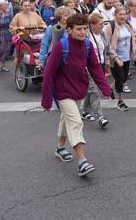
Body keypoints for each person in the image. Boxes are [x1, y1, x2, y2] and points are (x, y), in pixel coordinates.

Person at [41, 13, 112, 178]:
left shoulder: (87, 45)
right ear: (69, 30)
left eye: (85, 28)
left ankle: (59, 148)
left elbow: (95, 68)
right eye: (78, 29)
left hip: (79, 90)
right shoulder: (61, 46)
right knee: (76, 122)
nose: (82, 32)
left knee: (67, 120)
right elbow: (48, 74)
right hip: (63, 92)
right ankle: (82, 161)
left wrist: (105, 88)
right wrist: (46, 101)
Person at [104, 6, 135, 110]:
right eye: (120, 14)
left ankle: (110, 87)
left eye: (124, 14)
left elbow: (132, 39)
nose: (123, 16)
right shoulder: (110, 26)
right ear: (115, 15)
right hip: (116, 58)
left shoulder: (127, 25)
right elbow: (106, 44)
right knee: (120, 78)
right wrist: (108, 59)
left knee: (124, 78)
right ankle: (120, 101)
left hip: (127, 57)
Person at [83, 13, 110, 128]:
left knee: (91, 90)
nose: (102, 26)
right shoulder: (86, 36)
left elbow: (107, 48)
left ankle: (85, 111)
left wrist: (112, 58)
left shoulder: (102, 34)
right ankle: (101, 117)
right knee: (94, 91)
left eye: (103, 24)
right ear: (92, 25)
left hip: (100, 65)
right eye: (100, 24)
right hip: (88, 67)